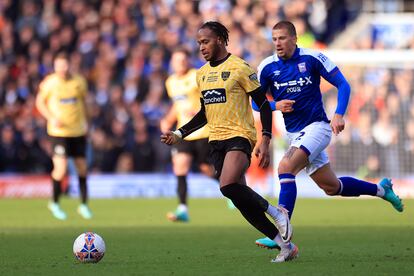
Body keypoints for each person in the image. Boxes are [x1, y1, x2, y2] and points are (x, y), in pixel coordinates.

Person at [252, 20, 404, 250]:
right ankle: (382, 190)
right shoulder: (266, 67)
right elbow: (257, 106)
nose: (278, 43)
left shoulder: (313, 58)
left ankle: (281, 234)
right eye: (274, 39)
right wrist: (276, 106)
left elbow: (343, 85)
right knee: (332, 187)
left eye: (282, 38)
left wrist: (339, 114)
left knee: (284, 167)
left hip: (318, 127)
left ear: (294, 39)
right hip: (296, 134)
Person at [161, 21, 298, 263]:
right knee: (241, 199)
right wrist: (180, 133)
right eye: (199, 43)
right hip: (216, 141)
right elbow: (204, 113)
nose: (201, 47)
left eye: (206, 42)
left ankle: (278, 212)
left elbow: (264, 105)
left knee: (226, 186)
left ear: (221, 40)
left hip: (240, 136)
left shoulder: (240, 68)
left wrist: (265, 138)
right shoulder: (202, 74)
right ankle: (285, 246)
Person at [160, 47, 215, 222]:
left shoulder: (197, 76)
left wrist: (199, 110)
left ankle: (231, 190)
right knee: (180, 166)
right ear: (172, 63)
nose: (180, 63)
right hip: (182, 132)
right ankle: (182, 208)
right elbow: (177, 106)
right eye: (177, 60)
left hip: (201, 131)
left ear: (188, 61)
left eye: (183, 60)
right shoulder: (170, 82)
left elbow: (210, 98)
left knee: (206, 169)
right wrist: (167, 120)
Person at [36, 52, 92, 220]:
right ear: (55, 67)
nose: (62, 69)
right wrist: (51, 117)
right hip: (59, 133)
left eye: (64, 65)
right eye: (58, 66)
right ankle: (54, 203)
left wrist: (88, 121)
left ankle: (83, 205)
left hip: (78, 131)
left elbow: (84, 102)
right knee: (60, 169)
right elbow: (39, 102)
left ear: (69, 65)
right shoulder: (49, 83)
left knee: (82, 167)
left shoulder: (79, 81)